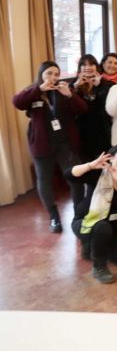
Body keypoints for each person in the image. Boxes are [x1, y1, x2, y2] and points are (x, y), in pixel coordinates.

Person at [13, 60, 87, 233]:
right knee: (44, 180)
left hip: (65, 144)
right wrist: (39, 89)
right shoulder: (33, 91)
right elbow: (17, 102)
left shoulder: (63, 90)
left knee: (76, 177)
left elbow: (82, 109)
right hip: (42, 145)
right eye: (49, 74)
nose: (53, 77)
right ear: (41, 75)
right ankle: (54, 216)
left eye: (56, 74)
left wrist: (70, 95)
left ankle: (78, 214)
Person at [67, 145, 117, 284]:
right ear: (111, 158)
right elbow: (69, 175)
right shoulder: (99, 173)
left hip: (113, 228)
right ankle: (99, 266)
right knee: (102, 227)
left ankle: (97, 246)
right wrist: (90, 165)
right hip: (86, 222)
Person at [71, 54, 114, 161]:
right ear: (79, 68)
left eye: (91, 64)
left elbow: (110, 102)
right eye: (84, 65)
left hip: (102, 131)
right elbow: (68, 105)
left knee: (103, 162)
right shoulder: (74, 84)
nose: (88, 67)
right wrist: (76, 87)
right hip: (82, 131)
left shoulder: (106, 84)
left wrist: (99, 85)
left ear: (96, 67)